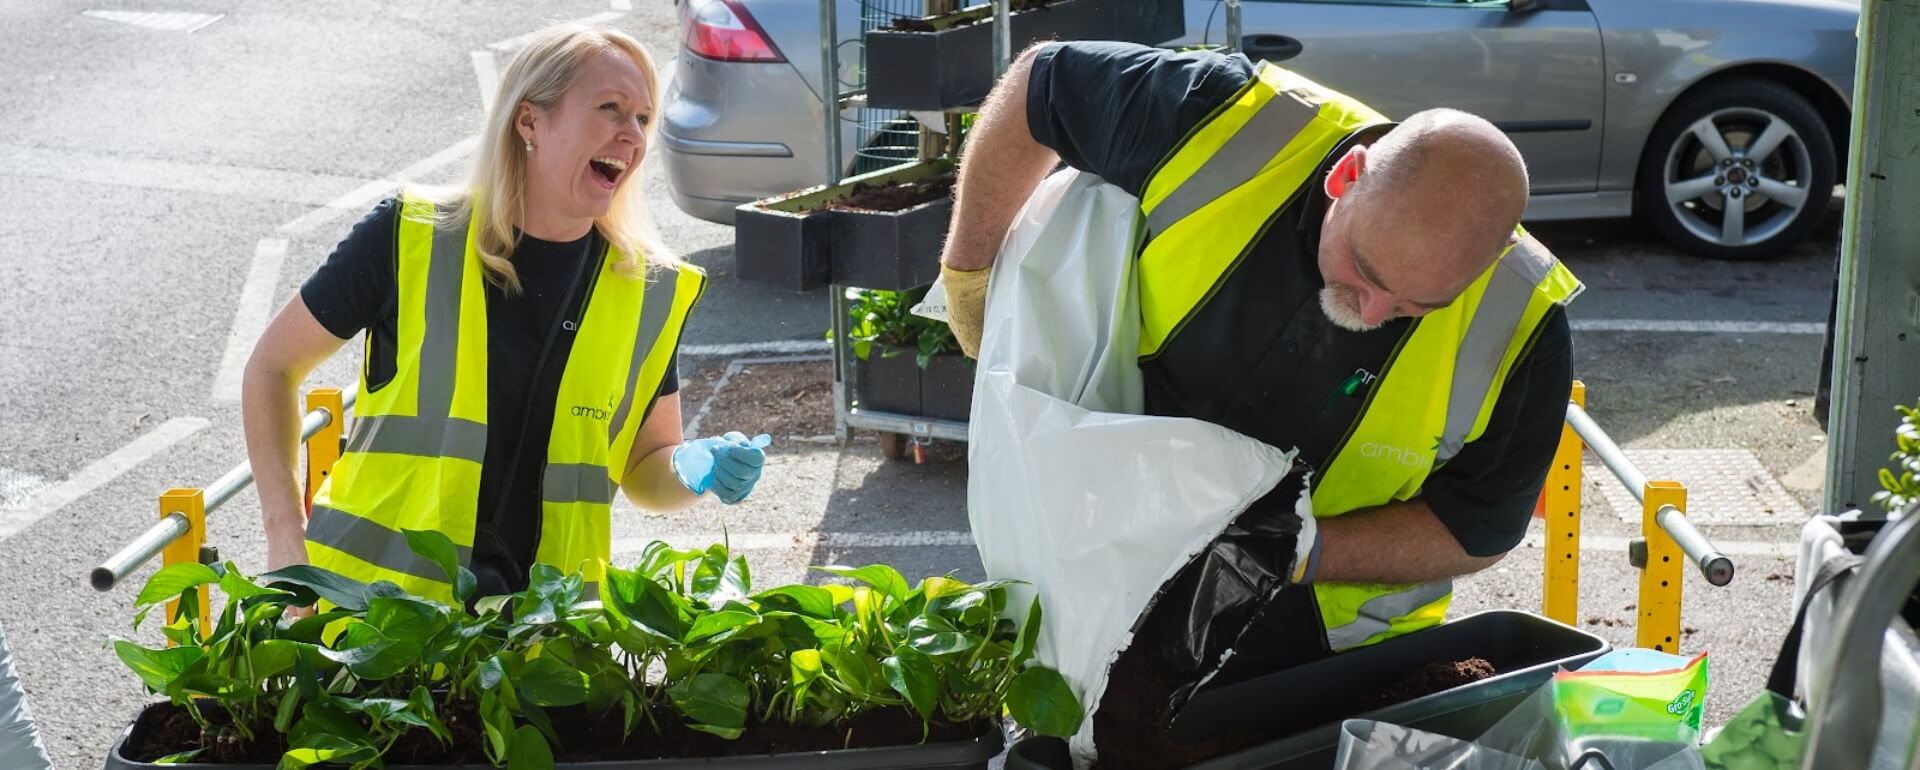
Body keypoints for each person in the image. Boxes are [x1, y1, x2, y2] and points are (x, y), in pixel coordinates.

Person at [938, 41, 1581, 681]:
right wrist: (968, 268)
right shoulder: (1227, 119)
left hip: (1331, 650)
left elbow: (1477, 528)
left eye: (1420, 304)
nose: (1376, 312)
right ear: (1344, 179)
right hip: (1101, 576)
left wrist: (1302, 550)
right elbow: (1039, 86)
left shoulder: (1523, 325)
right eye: (1363, 271)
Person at [242, 23, 767, 605]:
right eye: (610, 108)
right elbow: (271, 368)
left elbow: (646, 468)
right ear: (529, 122)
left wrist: (697, 468)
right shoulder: (410, 237)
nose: (632, 136)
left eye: (643, 118)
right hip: (373, 628)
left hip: (543, 648)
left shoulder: (648, 290)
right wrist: (284, 534)